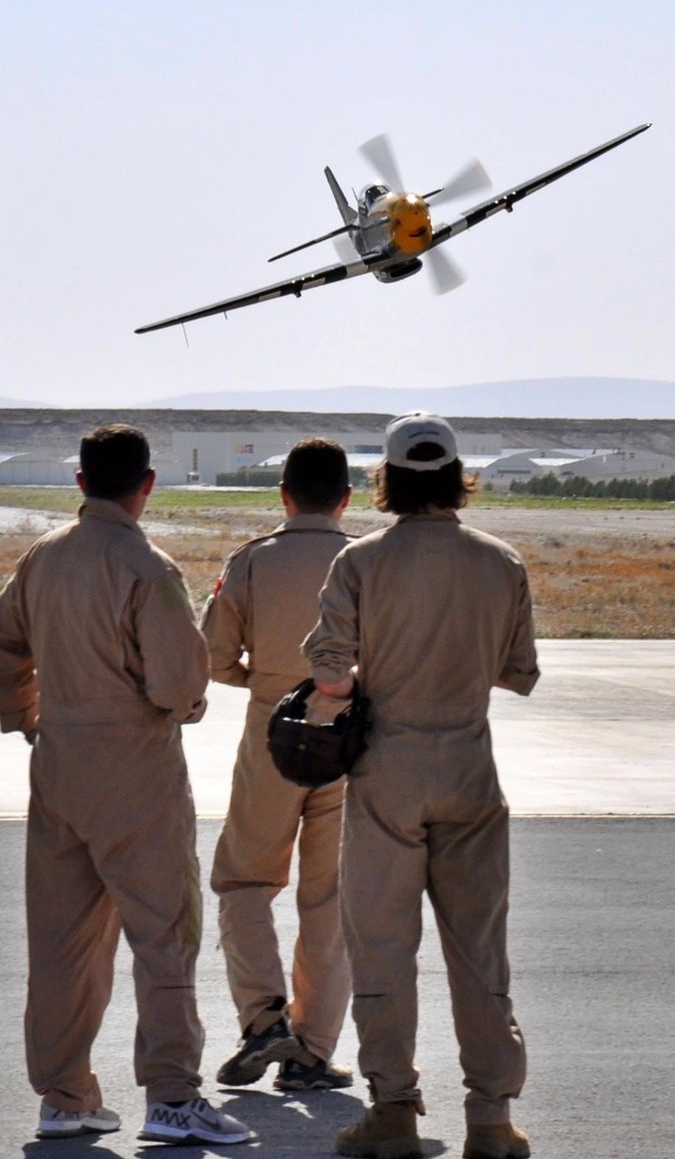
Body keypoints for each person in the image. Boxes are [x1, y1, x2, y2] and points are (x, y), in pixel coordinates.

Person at [0, 424, 251, 1147]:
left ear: (80, 483)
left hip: (58, 765)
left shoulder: (41, 560)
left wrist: (26, 715)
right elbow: (178, 684)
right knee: (164, 936)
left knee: (61, 945)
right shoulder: (147, 566)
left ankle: (65, 1096)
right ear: (146, 485)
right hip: (136, 771)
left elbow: (5, 644)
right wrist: (188, 705)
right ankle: (172, 1098)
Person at [303, 412, 540, 1159]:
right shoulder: (501, 562)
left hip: (387, 771)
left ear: (389, 479)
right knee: (478, 952)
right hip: (470, 769)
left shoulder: (361, 563)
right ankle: (491, 1118)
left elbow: (331, 674)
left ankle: (393, 1109)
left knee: (380, 945)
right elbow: (518, 671)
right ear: (455, 478)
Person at [201, 437, 354, 1092]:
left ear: (283, 497)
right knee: (331, 901)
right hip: (351, 743)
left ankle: (263, 1021)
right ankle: (312, 1051)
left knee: (243, 883)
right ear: (345, 500)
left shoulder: (252, 561)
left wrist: (266, 681)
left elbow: (210, 657)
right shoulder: (366, 562)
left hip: (271, 737)